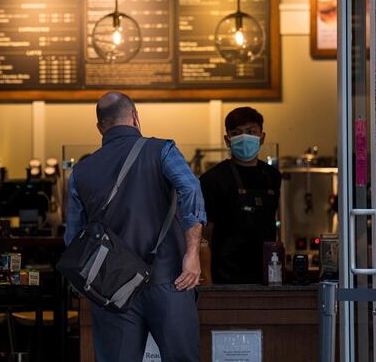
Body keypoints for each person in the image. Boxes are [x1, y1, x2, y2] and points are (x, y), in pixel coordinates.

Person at [65, 91, 207, 362]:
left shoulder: (80, 173)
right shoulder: (162, 150)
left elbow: (73, 238)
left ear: (100, 127)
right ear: (135, 118)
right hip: (170, 279)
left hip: (110, 289)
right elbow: (191, 188)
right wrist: (192, 253)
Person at [200, 107, 281, 284]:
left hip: (268, 275)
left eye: (251, 132)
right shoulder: (213, 179)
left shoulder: (273, 176)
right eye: (236, 133)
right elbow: (204, 237)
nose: (244, 138)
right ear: (227, 140)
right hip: (225, 277)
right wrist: (208, 283)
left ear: (262, 137)